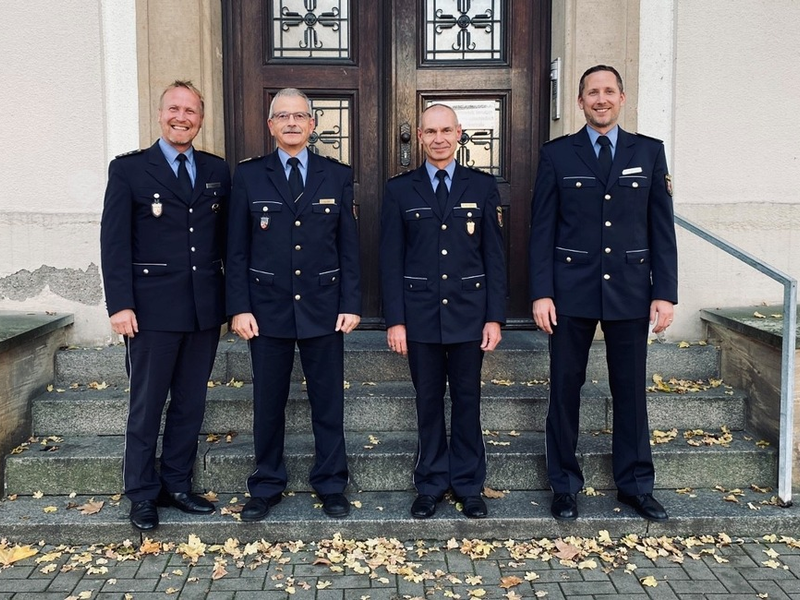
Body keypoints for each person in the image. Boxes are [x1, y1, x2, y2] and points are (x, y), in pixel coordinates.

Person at [529, 65, 678, 522]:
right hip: (570, 290)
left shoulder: (649, 152)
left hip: (631, 291)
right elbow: (542, 230)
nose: (600, 99)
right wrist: (541, 293)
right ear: (579, 102)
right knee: (564, 391)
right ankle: (564, 485)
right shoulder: (557, 154)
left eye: (608, 91)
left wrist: (665, 292)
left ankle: (634, 486)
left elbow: (661, 228)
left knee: (630, 391)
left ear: (622, 98)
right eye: (592, 92)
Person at [100, 80, 231, 531]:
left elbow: (226, 243)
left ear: (201, 117)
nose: (182, 117)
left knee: (190, 403)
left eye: (191, 110)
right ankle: (141, 492)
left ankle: (176, 482)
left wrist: (230, 304)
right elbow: (114, 243)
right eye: (174, 109)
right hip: (150, 310)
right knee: (147, 403)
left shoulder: (217, 170)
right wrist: (120, 304)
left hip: (202, 309)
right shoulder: (130, 170)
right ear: (160, 115)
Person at [226, 88, 361, 521]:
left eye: (299, 116)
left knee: (328, 401)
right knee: (268, 402)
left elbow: (348, 247)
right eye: (282, 116)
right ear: (270, 126)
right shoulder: (248, 176)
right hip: (265, 311)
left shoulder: (335, 175)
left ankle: (331, 483)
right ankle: (266, 484)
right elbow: (237, 249)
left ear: (312, 124)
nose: (291, 123)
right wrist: (239, 307)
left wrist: (351, 302)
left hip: (324, 306)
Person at [380, 104, 506, 519]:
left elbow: (494, 256)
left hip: (470, 314)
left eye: (446, 130)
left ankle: (469, 485)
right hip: (418, 316)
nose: (438, 138)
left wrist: (494, 317)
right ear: (419, 136)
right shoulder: (400, 189)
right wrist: (395, 320)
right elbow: (391, 259)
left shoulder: (481, 186)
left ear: (459, 134)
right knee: (429, 401)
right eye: (430, 131)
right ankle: (431, 482)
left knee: (468, 400)